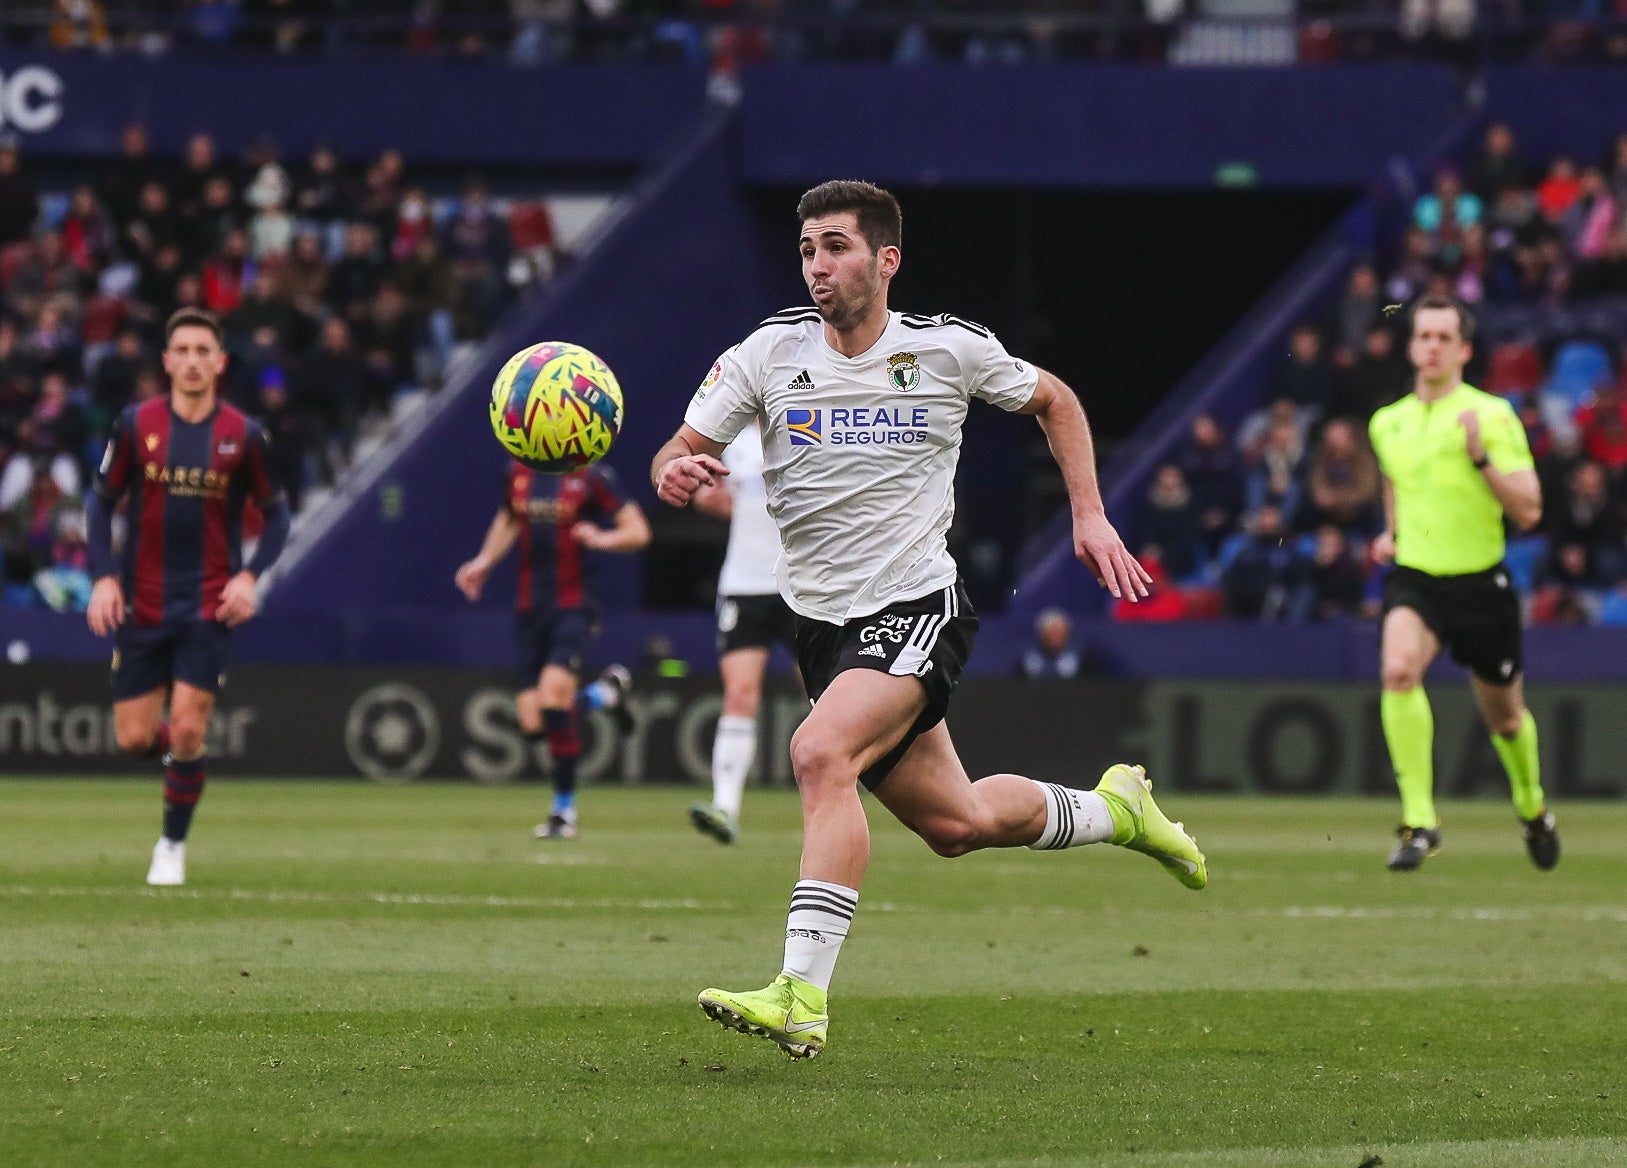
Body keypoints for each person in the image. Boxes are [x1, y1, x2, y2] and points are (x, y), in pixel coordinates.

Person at [651, 180, 1206, 1060]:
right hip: (820, 629)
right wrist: (674, 472)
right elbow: (682, 448)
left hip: (915, 608)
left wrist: (1089, 514)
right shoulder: (766, 353)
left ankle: (800, 992)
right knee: (958, 825)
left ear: (885, 260)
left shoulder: (947, 350)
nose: (818, 265)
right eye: (807, 249)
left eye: (836, 246)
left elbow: (1054, 399)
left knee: (816, 752)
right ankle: (1116, 809)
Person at [84, 308, 291, 887]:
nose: (194, 360)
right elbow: (100, 503)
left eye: (206, 350)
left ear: (220, 363)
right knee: (134, 739)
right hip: (142, 604)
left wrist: (250, 577)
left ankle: (171, 844)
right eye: (184, 350)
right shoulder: (134, 425)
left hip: (207, 603)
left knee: (189, 726)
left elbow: (277, 517)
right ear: (168, 360)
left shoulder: (244, 435)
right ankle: (183, 766)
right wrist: (103, 576)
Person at [1368, 293, 1556, 873]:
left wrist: (1480, 459)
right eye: (1423, 335)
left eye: (1444, 338)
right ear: (1411, 345)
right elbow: (1397, 481)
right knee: (1398, 670)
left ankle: (1531, 807)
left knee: (1504, 718)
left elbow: (1530, 509)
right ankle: (1420, 820)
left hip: (1481, 585)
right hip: (1418, 579)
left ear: (1465, 350)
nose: (1431, 346)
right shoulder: (1387, 422)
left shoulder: (1492, 416)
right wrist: (1392, 530)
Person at [454, 460, 650, 838]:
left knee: (552, 697)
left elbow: (638, 531)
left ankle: (563, 812)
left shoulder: (593, 476)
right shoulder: (516, 472)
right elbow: (507, 519)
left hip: (575, 604)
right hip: (530, 608)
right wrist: (484, 562)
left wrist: (601, 538)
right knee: (533, 722)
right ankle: (604, 693)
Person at [689, 419, 797, 844]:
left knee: (824, 697)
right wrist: (709, 497)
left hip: (801, 583)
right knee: (739, 694)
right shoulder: (733, 442)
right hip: (744, 583)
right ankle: (725, 806)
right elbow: (710, 497)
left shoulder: (808, 424)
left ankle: (844, 796)